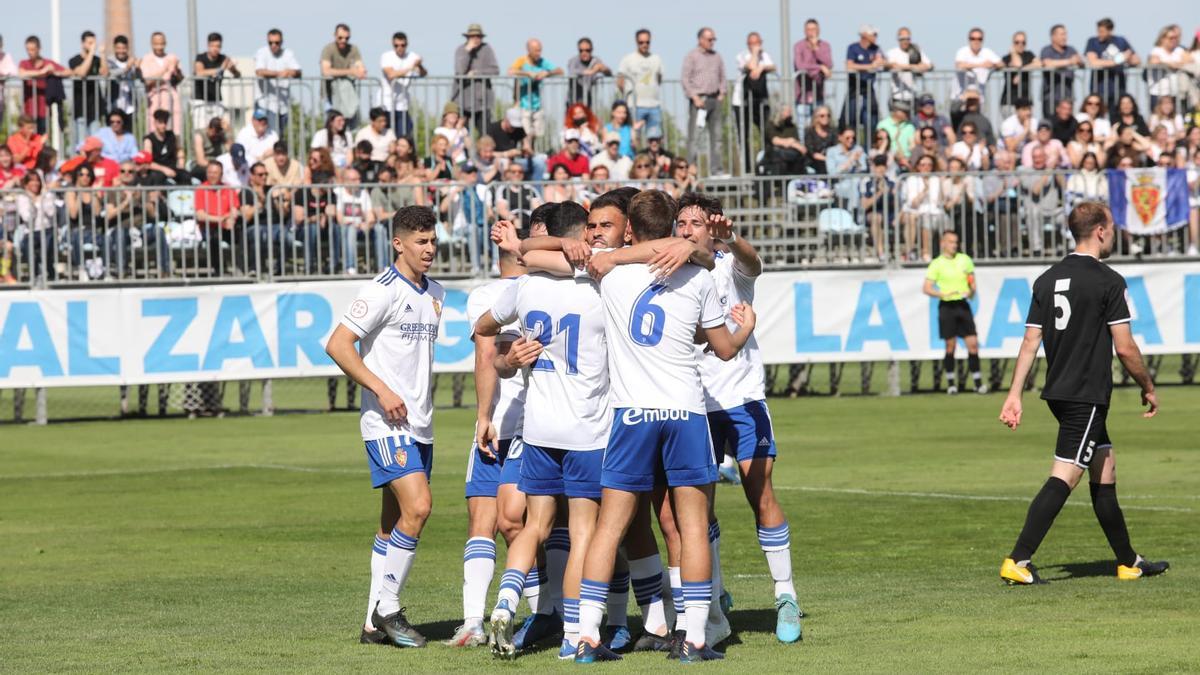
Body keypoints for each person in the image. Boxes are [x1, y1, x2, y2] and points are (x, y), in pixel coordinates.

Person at [573, 190, 756, 663]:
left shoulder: (609, 271)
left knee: (609, 528)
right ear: (674, 224)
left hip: (631, 415)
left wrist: (619, 252)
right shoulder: (697, 276)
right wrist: (746, 326)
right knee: (693, 526)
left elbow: (543, 253)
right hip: (685, 414)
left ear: (629, 228)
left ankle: (587, 637)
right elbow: (724, 348)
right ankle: (694, 639)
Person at [998, 201, 1168, 585]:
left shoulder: (1046, 279)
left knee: (1104, 467)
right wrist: (1149, 386)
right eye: (1111, 227)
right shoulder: (1108, 280)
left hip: (1060, 391)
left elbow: (1030, 341)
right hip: (1085, 394)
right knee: (1066, 474)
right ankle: (1018, 560)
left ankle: (1128, 561)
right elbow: (1125, 347)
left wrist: (1014, 395)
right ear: (1101, 231)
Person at [481, 201, 613, 660]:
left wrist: (508, 354)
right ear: (579, 237)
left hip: (537, 428)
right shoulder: (602, 283)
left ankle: (503, 605)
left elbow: (483, 327)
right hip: (587, 431)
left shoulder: (523, 287)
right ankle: (572, 636)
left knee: (533, 527)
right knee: (582, 535)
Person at [673, 193, 802, 643]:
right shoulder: (673, 275)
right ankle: (714, 597)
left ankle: (785, 596)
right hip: (694, 404)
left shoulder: (730, 265)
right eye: (682, 222)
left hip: (743, 399)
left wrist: (734, 238)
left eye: (696, 222)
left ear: (713, 230)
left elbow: (755, 263)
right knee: (697, 507)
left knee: (759, 490)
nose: (688, 228)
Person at [324, 205, 445, 648]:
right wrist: (382, 390)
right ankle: (389, 607)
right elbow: (338, 344)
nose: (430, 249)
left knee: (393, 524)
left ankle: (372, 625)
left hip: (420, 424)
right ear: (399, 244)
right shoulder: (380, 290)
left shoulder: (436, 293)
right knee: (420, 508)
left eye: (433, 240)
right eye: (421, 241)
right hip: (385, 421)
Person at [444, 220, 532, 648]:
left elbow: (484, 355)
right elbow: (487, 355)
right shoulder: (538, 288)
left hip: (504, 423)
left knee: (495, 522)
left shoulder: (484, 296)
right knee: (516, 525)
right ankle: (541, 613)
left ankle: (473, 622)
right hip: (520, 422)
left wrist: (482, 415)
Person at [924, 230, 984, 394]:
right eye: (951, 242)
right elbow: (927, 288)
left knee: (972, 344)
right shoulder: (937, 263)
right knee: (950, 346)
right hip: (947, 306)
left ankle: (978, 382)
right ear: (943, 243)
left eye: (956, 242)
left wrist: (970, 292)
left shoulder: (965, 260)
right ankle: (951, 383)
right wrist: (942, 293)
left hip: (962, 305)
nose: (954, 245)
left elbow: (972, 285)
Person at [682, 27, 727, 177]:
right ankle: (690, 170)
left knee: (717, 137)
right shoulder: (692, 56)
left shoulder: (717, 56)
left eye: (714, 39)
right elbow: (685, 78)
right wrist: (694, 97)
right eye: (709, 39)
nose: (712, 42)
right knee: (695, 137)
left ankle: (717, 170)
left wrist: (722, 93)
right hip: (698, 101)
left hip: (715, 99)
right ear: (700, 39)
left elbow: (722, 76)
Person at [732, 32, 774, 173]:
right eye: (754, 43)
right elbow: (750, 67)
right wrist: (756, 54)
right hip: (741, 102)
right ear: (748, 44)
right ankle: (747, 169)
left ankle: (766, 164)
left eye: (758, 43)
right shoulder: (741, 55)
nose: (757, 46)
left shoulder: (765, 55)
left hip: (759, 102)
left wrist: (762, 67)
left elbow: (773, 67)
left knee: (767, 133)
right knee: (744, 136)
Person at [509, 39, 562, 148]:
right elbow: (511, 71)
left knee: (536, 134)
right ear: (529, 50)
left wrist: (547, 73)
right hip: (524, 105)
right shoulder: (521, 61)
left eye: (540, 50)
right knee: (525, 134)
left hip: (537, 105)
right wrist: (527, 73)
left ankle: (531, 155)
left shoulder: (542, 62)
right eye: (536, 51)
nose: (539, 53)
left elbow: (560, 71)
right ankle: (526, 155)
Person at [617, 29, 665, 140]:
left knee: (655, 139)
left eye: (647, 42)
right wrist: (628, 95)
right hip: (635, 105)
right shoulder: (628, 59)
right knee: (634, 138)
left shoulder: (656, 59)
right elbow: (620, 81)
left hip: (654, 105)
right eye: (641, 42)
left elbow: (659, 78)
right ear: (636, 42)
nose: (645, 45)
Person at [254, 29, 302, 134]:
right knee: (268, 135)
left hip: (283, 105)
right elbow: (259, 71)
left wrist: (290, 71)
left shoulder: (288, 53)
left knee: (279, 136)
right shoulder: (262, 52)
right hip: (265, 104)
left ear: (281, 42)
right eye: (270, 43)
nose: (273, 45)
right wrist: (280, 73)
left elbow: (298, 72)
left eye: (277, 42)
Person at [336, 167, 383, 275]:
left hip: (362, 228)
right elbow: (339, 219)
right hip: (345, 228)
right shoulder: (339, 192)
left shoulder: (363, 193)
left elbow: (371, 217)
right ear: (346, 181)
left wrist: (367, 224)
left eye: (359, 179)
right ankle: (351, 267)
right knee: (351, 229)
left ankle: (382, 267)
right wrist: (352, 224)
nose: (359, 182)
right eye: (354, 180)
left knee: (379, 228)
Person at [453, 24, 500, 130]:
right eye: (472, 36)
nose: (476, 39)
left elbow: (495, 70)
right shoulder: (460, 50)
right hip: (462, 101)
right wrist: (467, 51)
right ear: (467, 38)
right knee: (462, 134)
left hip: (482, 101)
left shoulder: (487, 49)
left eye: (478, 36)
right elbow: (460, 71)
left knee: (486, 134)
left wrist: (477, 73)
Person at [1085, 18, 1139, 110]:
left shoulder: (1121, 41)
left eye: (1102, 31)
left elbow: (1136, 60)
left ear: (1110, 31)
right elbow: (1093, 62)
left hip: (1118, 88)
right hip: (1099, 88)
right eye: (1098, 31)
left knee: (1115, 115)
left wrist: (1128, 59)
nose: (1099, 34)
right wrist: (1118, 61)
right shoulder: (1093, 41)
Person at [17, 36, 67, 135]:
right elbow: (21, 73)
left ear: (39, 49)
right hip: (28, 110)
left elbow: (68, 71)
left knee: (41, 138)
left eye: (32, 49)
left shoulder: (48, 63)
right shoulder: (24, 63)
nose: (29, 52)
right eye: (27, 49)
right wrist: (42, 72)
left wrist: (54, 72)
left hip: (43, 109)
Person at [379, 32, 425, 138]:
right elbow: (391, 74)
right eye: (396, 45)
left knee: (405, 135)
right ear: (392, 45)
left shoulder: (412, 56)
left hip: (402, 104)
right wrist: (411, 67)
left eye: (402, 45)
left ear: (407, 44)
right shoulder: (386, 56)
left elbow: (423, 73)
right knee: (388, 136)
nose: (399, 48)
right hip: (386, 104)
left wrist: (420, 66)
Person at [68, 31, 110, 145]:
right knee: (82, 143)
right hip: (80, 107)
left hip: (94, 107)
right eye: (89, 43)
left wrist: (102, 54)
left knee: (95, 141)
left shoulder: (97, 60)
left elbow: (105, 73)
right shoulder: (74, 60)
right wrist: (91, 52)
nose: (93, 45)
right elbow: (82, 72)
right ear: (83, 43)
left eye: (94, 43)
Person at [321, 24, 367, 126]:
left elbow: (361, 69)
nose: (343, 41)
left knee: (348, 128)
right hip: (330, 96)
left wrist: (360, 71)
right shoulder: (328, 49)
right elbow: (326, 71)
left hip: (348, 97)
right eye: (340, 38)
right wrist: (350, 71)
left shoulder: (353, 49)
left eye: (347, 38)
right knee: (331, 127)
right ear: (334, 36)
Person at [841, 25, 885, 133]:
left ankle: (868, 147)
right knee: (850, 120)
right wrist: (869, 67)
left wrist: (881, 62)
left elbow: (884, 61)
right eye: (873, 34)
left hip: (869, 90)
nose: (876, 36)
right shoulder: (853, 48)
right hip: (854, 89)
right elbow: (849, 65)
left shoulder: (876, 48)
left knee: (871, 121)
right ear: (864, 35)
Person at [192, 32, 239, 130]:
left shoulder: (223, 58)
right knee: (201, 130)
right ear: (208, 45)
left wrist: (233, 68)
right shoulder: (200, 57)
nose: (215, 49)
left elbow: (237, 75)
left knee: (222, 128)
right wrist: (220, 69)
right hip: (200, 100)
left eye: (218, 46)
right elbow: (199, 72)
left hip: (216, 100)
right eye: (212, 45)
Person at [793, 19, 833, 131]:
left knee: (820, 126)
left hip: (819, 94)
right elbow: (800, 66)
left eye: (814, 29)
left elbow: (829, 63)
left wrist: (816, 49)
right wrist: (819, 68)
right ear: (804, 31)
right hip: (802, 95)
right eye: (808, 29)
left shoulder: (825, 46)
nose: (811, 32)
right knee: (803, 128)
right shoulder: (798, 46)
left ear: (819, 30)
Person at [141, 32, 183, 137]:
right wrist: (164, 69)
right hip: (154, 97)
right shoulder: (146, 59)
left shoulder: (172, 57)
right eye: (156, 44)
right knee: (153, 126)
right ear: (151, 44)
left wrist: (176, 71)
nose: (159, 46)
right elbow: (147, 81)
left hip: (171, 98)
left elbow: (180, 79)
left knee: (173, 126)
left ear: (165, 43)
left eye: (161, 43)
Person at [1039, 25, 1082, 120]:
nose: (1065, 37)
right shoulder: (1046, 50)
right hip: (1050, 97)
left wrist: (1079, 61)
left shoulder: (1071, 50)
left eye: (1065, 34)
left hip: (1068, 96)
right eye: (1062, 34)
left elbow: (1080, 60)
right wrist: (1069, 61)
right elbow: (1047, 63)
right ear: (1053, 37)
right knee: (1050, 123)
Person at [885, 27, 932, 101]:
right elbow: (892, 65)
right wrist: (914, 67)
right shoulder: (892, 52)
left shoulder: (915, 51)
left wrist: (923, 66)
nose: (905, 41)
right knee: (899, 112)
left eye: (908, 39)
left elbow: (929, 65)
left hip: (913, 94)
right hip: (897, 95)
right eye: (902, 39)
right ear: (898, 39)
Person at [953, 28, 1001, 100]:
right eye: (973, 38)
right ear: (969, 40)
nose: (976, 41)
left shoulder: (987, 52)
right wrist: (981, 65)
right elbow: (959, 64)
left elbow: (1001, 64)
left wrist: (993, 65)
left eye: (979, 39)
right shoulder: (962, 51)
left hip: (979, 97)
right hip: (961, 96)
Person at [999, 31, 1038, 112]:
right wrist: (1013, 52)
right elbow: (1018, 64)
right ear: (1013, 43)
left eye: (1023, 42)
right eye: (1017, 42)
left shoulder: (1029, 54)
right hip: (1009, 102)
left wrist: (1021, 72)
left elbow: (1039, 63)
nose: (1020, 44)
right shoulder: (1007, 58)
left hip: (1026, 102)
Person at [568, 37, 611, 109]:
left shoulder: (595, 60)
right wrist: (590, 71)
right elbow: (572, 72)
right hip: (573, 100)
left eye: (587, 50)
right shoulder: (573, 60)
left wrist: (603, 68)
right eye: (581, 50)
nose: (584, 53)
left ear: (592, 50)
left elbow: (609, 74)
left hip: (588, 99)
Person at [764, 105, 806, 175]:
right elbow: (776, 141)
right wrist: (792, 142)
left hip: (791, 155)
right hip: (774, 155)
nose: (790, 113)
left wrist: (793, 143)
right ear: (780, 112)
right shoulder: (770, 124)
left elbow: (798, 142)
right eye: (788, 111)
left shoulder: (792, 126)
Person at [143, 109, 181, 184]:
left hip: (172, 167)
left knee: (185, 176)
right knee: (157, 177)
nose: (163, 125)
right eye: (160, 122)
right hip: (157, 169)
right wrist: (164, 169)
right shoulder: (149, 140)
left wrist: (181, 164)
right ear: (155, 123)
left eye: (165, 122)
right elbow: (148, 162)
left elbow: (179, 151)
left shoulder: (171, 136)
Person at [876, 98, 916, 170]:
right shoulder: (883, 125)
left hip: (907, 161)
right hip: (888, 161)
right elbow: (879, 145)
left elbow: (912, 146)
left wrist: (907, 159)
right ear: (896, 111)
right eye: (904, 111)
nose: (908, 114)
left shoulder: (910, 126)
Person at [106, 35, 139, 120]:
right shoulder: (110, 61)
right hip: (114, 104)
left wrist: (138, 68)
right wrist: (127, 68)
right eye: (118, 48)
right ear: (114, 48)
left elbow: (137, 77)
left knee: (129, 131)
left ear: (127, 48)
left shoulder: (132, 61)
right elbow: (111, 74)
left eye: (123, 48)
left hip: (130, 105)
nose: (121, 51)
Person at [803, 105, 836, 174]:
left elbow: (836, 148)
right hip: (813, 163)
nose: (826, 118)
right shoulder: (809, 132)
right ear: (816, 117)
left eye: (828, 115)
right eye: (822, 116)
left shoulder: (833, 131)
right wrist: (828, 159)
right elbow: (812, 153)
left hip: (831, 161)